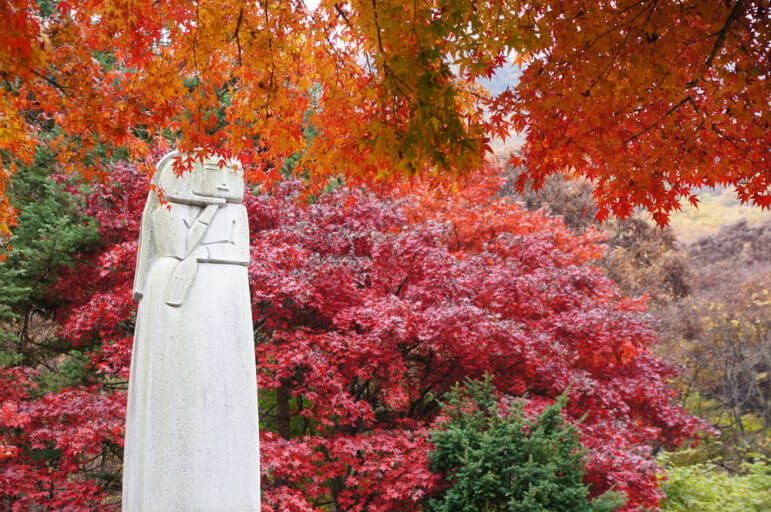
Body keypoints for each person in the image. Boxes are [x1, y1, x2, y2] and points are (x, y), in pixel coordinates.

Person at [123, 151, 259, 511]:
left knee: (223, 404)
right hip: (175, 296)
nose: (224, 183)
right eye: (215, 172)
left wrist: (204, 251)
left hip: (224, 300)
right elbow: (180, 247)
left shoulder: (237, 215)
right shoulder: (166, 209)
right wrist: (210, 218)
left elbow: (238, 253)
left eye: (231, 174)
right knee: (176, 398)